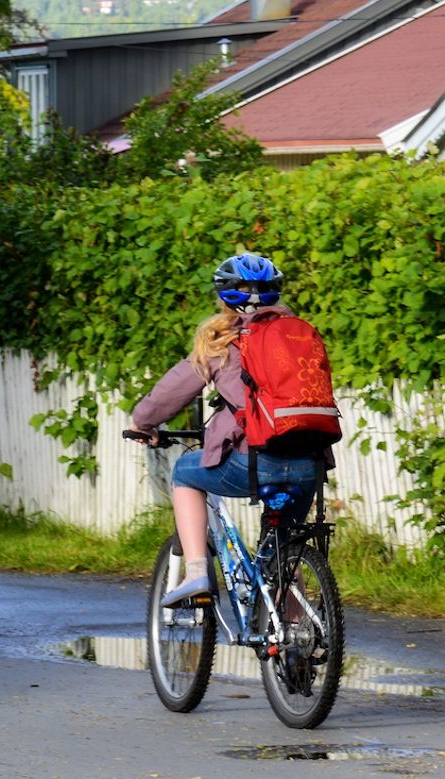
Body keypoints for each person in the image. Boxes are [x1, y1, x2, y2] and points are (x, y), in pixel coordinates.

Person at [130, 253, 321, 606]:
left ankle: (197, 571)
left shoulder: (221, 342)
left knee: (185, 474)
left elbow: (172, 391)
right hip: (309, 460)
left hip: (254, 462)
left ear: (223, 297)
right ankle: (294, 639)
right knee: (284, 543)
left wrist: (142, 423)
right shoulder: (300, 337)